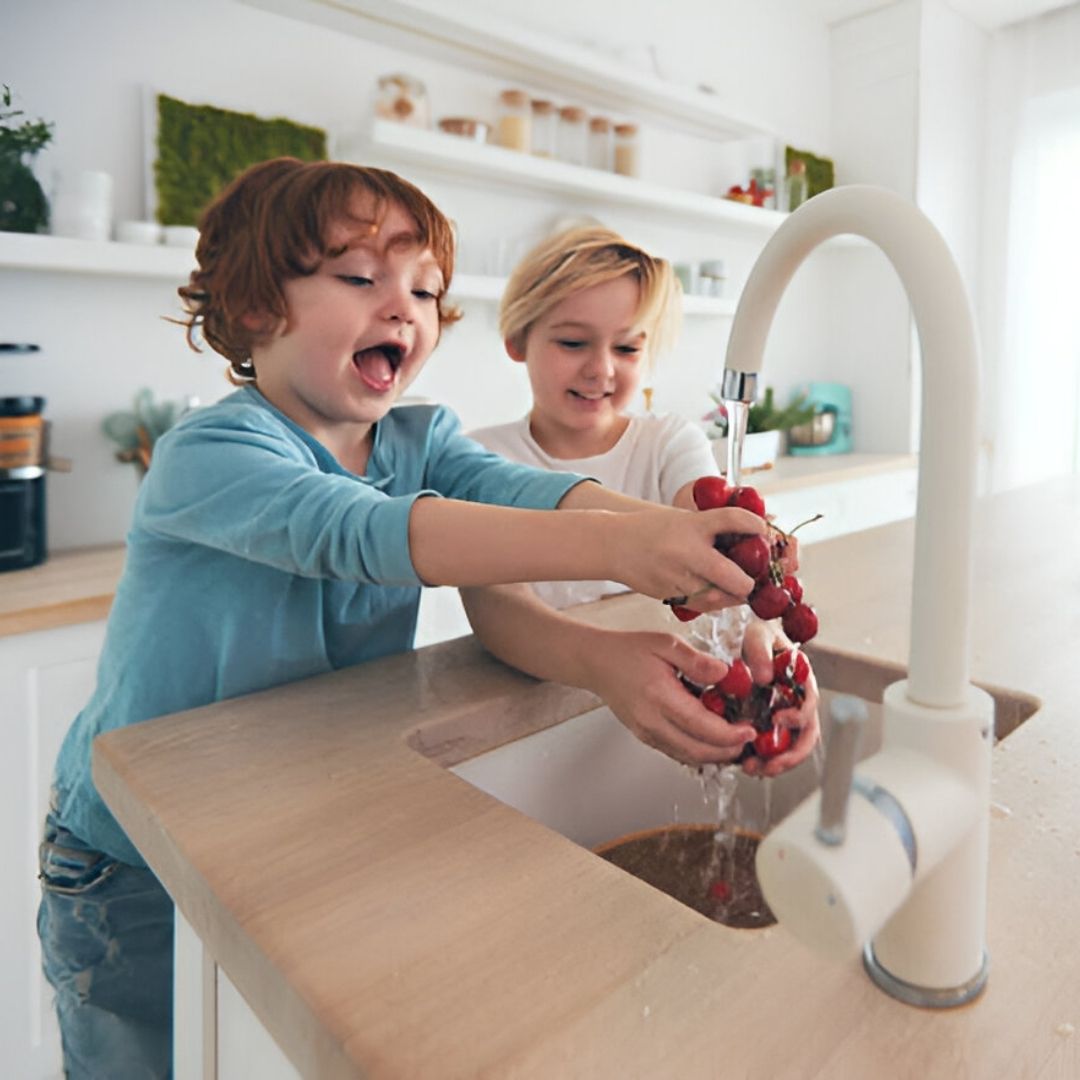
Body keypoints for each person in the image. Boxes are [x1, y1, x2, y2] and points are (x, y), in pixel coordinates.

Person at [37, 159, 772, 1077]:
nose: (405, 307)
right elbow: (362, 531)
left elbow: (530, 494)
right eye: (361, 279)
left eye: (424, 289)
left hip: (290, 823)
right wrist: (630, 551)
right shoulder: (211, 451)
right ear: (261, 306)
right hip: (133, 853)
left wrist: (682, 536)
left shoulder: (421, 438)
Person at [469, 224, 820, 774]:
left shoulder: (667, 442)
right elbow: (497, 611)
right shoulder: (478, 458)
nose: (602, 368)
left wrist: (768, 634)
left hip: (658, 697)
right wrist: (601, 664)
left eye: (627, 347)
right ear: (517, 339)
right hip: (533, 722)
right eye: (573, 342)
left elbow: (717, 538)